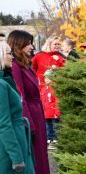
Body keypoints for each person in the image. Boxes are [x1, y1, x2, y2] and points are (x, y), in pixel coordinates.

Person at [7, 30, 50, 174]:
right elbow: (20, 97)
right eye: (28, 44)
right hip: (31, 115)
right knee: (36, 156)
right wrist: (28, 124)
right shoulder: (15, 66)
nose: (31, 47)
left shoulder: (24, 64)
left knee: (41, 154)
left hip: (37, 113)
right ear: (18, 45)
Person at [0, 40, 35, 174]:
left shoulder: (5, 81)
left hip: (16, 138)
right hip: (11, 144)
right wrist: (16, 157)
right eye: (9, 53)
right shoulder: (1, 85)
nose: (12, 57)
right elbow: (3, 123)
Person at [40, 69, 61, 150]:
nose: (46, 80)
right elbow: (42, 101)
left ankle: (56, 141)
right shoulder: (43, 89)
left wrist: (57, 112)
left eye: (48, 78)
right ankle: (50, 140)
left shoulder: (55, 88)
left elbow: (57, 101)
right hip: (46, 113)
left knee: (55, 127)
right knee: (48, 127)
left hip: (53, 113)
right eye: (45, 78)